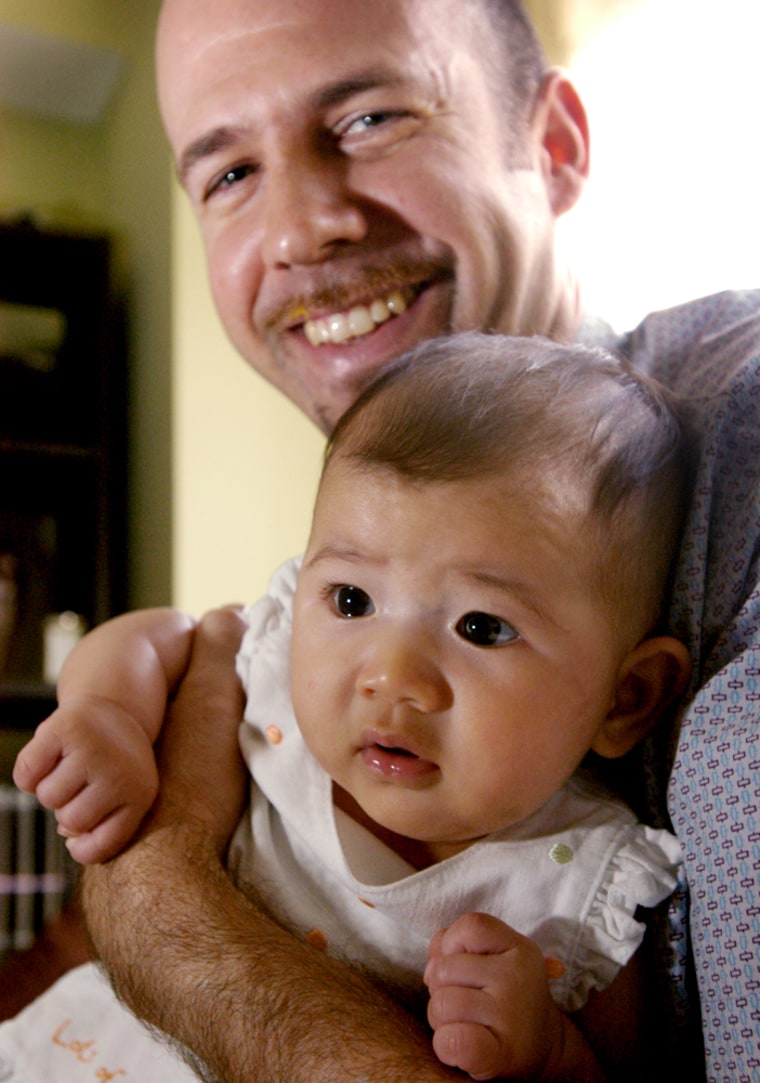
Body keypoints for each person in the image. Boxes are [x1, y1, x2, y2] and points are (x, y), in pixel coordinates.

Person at [3, 0, 759, 1079]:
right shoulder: (311, 625)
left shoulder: (727, 417)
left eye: (367, 119)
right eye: (226, 175)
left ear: (549, 147)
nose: (302, 229)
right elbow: (170, 648)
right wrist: (109, 724)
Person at [11, 335, 693, 1081]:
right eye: (352, 599)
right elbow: (166, 634)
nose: (391, 675)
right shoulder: (269, 680)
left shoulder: (578, 892)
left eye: (482, 627)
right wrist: (109, 709)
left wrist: (550, 1049)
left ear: (626, 698)